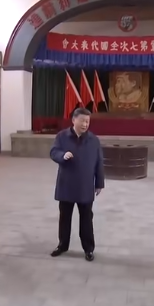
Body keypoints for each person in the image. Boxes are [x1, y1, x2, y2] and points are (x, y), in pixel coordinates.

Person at [49, 108, 104, 262]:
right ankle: (62, 245)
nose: (85, 124)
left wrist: (99, 183)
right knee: (64, 218)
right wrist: (62, 155)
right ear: (73, 120)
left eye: (87, 121)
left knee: (86, 219)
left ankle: (88, 249)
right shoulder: (62, 137)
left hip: (85, 186)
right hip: (66, 184)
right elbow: (53, 152)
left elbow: (99, 162)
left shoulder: (94, 140)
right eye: (82, 121)